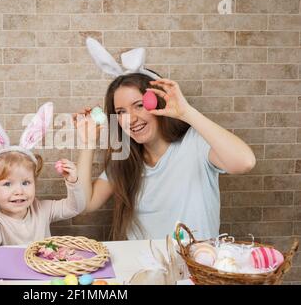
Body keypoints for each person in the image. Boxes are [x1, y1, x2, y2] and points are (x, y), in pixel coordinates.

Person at [74, 38, 256, 241]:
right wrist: (87, 142)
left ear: (158, 102)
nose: (131, 119)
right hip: (143, 268)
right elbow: (84, 204)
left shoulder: (195, 143)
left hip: (195, 268)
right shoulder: (126, 158)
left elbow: (245, 162)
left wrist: (187, 112)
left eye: (139, 105)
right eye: (121, 111)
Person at [0, 102, 85, 247]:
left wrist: (73, 182)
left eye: (26, 182)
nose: (19, 191)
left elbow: (75, 207)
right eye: (7, 184)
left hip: (42, 268)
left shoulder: (42, 210)